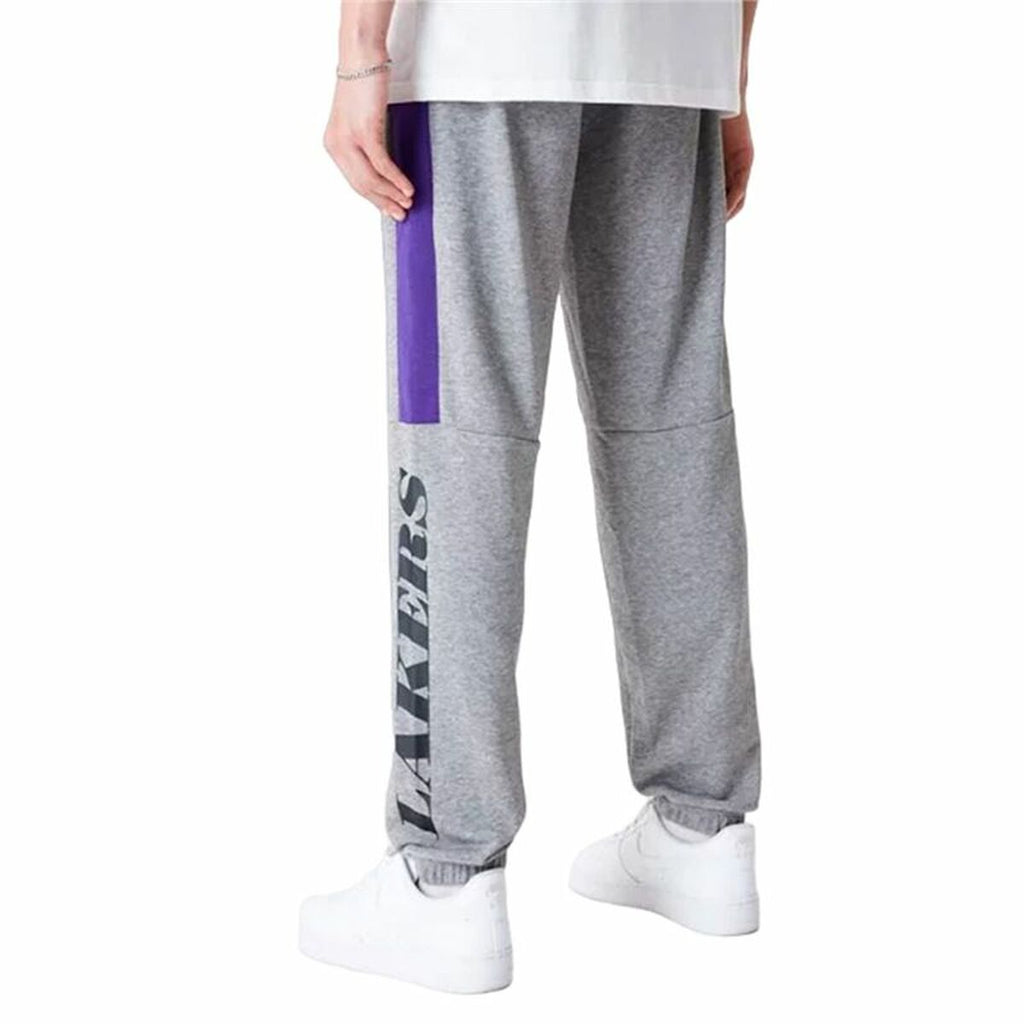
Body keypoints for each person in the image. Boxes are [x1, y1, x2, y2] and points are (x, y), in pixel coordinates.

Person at [300, 0, 762, 993]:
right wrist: (727, 77)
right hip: (674, 53)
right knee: (672, 427)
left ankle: (444, 874)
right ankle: (703, 826)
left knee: (457, 433)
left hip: (485, 47)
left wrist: (359, 55)